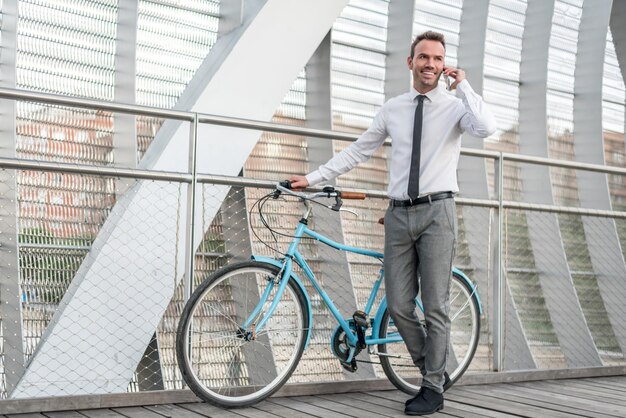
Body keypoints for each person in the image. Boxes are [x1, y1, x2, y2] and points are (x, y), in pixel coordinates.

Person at [290, 30, 496, 415]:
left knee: (434, 306)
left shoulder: (455, 107)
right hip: (399, 214)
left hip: (438, 213)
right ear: (411, 62)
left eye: (437, 58)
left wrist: (464, 85)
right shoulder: (394, 108)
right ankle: (433, 371)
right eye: (423, 57)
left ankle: (432, 388)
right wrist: (314, 178)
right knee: (400, 306)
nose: (430, 64)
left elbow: (486, 126)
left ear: (444, 64)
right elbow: (359, 151)